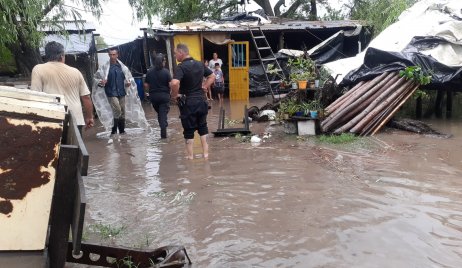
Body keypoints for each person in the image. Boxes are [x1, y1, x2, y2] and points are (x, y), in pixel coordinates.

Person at [30, 41, 94, 133]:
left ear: (47, 55)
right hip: (75, 119)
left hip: (51, 119)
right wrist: (89, 117)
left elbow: (36, 97)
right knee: (74, 146)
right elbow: (86, 97)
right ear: (62, 56)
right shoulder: (75, 72)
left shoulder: (38, 69)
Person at [170, 44, 215, 160]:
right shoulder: (200, 64)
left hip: (188, 103)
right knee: (203, 127)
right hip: (201, 101)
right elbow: (212, 76)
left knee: (189, 131)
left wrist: (174, 96)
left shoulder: (181, 67)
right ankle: (206, 156)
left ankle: (190, 158)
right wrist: (205, 86)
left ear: (181, 52)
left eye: (175, 54)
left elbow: (174, 83)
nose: (175, 56)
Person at [97, 48, 130, 135]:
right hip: (111, 93)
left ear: (117, 55)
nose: (112, 56)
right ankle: (114, 130)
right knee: (117, 110)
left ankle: (122, 131)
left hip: (121, 92)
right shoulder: (104, 68)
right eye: (110, 55)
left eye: (114, 54)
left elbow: (128, 79)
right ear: (108, 55)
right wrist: (101, 82)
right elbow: (96, 79)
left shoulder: (122, 67)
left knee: (122, 112)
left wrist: (128, 83)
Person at [144, 54, 171, 139]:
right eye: (165, 61)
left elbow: (145, 84)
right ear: (162, 62)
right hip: (164, 96)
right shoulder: (166, 72)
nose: (165, 62)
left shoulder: (149, 72)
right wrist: (171, 93)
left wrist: (148, 92)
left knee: (160, 113)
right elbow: (170, 84)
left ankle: (163, 125)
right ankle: (164, 134)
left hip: (154, 97)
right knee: (163, 114)